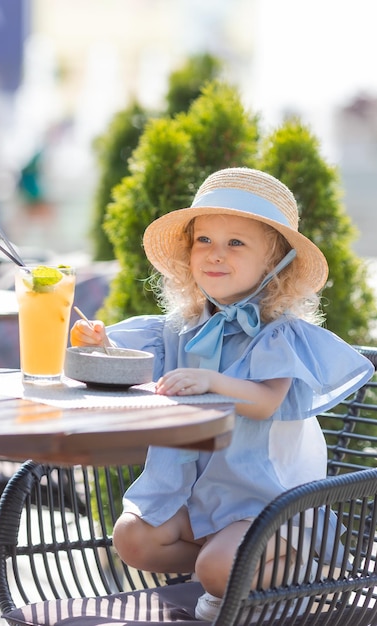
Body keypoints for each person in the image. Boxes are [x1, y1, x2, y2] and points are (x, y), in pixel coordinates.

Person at [71, 167, 374, 621]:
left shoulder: (278, 334)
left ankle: (288, 572)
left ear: (274, 262)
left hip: (269, 501)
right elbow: (139, 372)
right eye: (204, 241)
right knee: (132, 538)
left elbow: (267, 400)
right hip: (202, 494)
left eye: (236, 243)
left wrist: (212, 382)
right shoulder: (180, 332)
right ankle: (230, 572)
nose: (216, 254)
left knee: (218, 568)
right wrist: (104, 347)